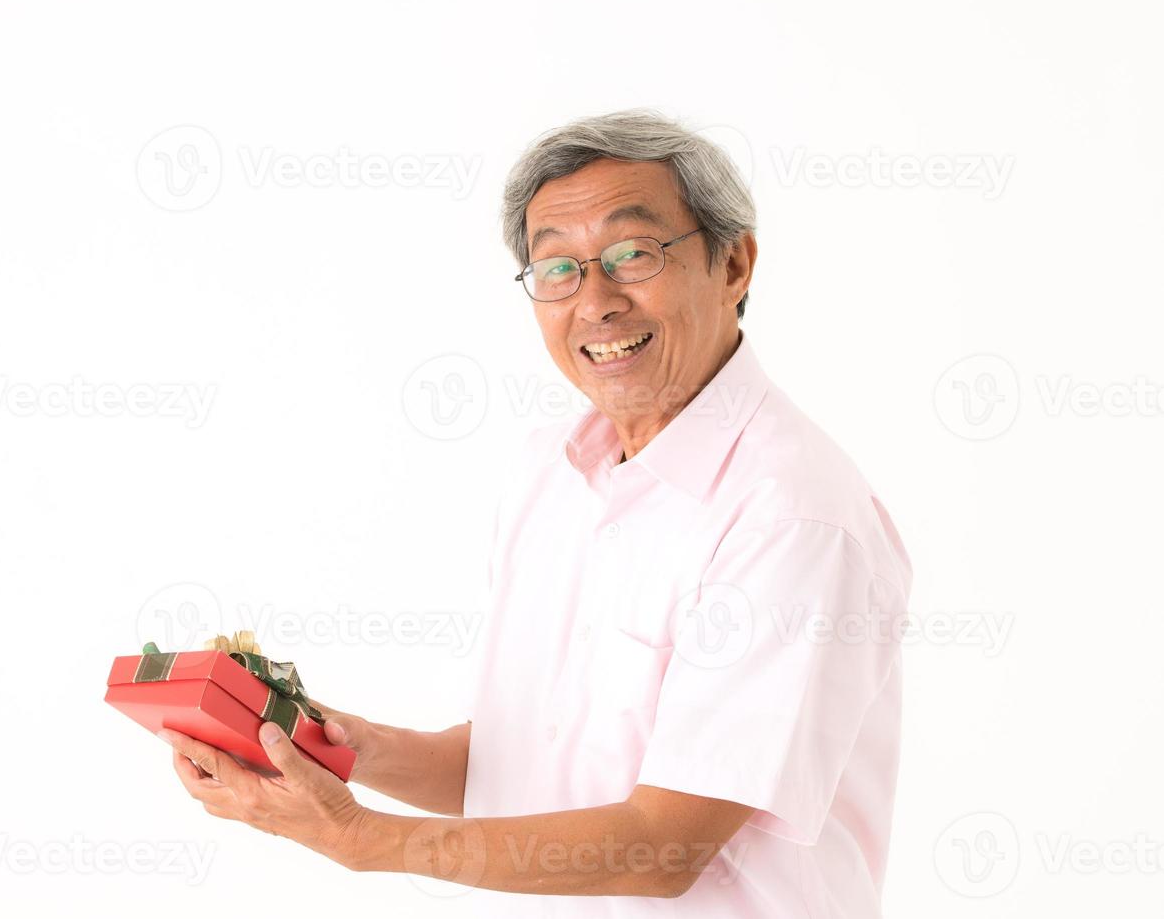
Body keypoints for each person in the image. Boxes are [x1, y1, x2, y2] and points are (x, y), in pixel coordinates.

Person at [157, 109, 913, 917]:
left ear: (733, 264)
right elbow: (520, 765)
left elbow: (663, 846)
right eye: (557, 269)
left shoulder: (790, 517)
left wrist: (356, 838)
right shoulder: (551, 472)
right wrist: (329, 745)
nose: (595, 300)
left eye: (632, 254)